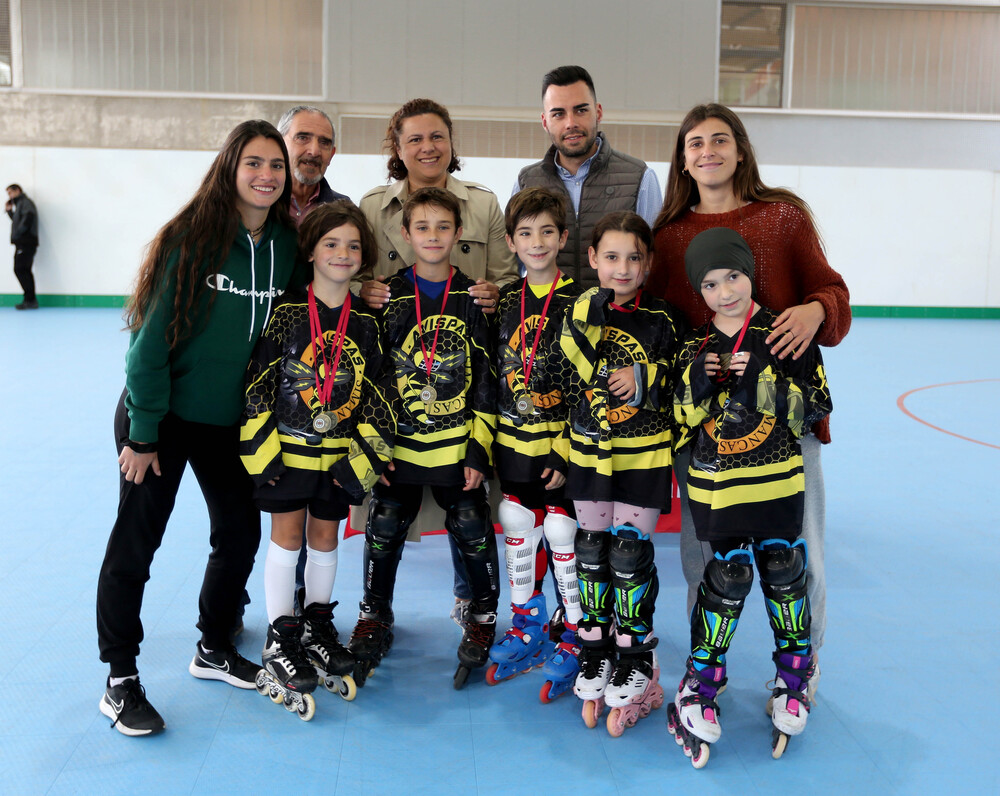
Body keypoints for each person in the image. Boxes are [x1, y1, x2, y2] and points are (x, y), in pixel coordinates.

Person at [96, 120, 307, 736]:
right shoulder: (192, 238)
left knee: (239, 535)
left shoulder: (286, 245)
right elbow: (146, 346)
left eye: (276, 165)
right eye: (254, 163)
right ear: (230, 168)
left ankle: (213, 646)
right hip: (159, 418)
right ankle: (119, 678)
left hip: (228, 423)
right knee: (137, 544)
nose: (267, 175)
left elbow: (305, 311)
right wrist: (142, 433)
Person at [647, 103, 851, 656]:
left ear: (740, 149)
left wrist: (816, 310)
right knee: (705, 558)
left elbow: (834, 293)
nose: (707, 151)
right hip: (709, 433)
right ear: (683, 161)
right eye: (695, 143)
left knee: (799, 554)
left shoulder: (783, 218)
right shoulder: (668, 237)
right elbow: (656, 330)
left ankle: (800, 671)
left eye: (719, 139)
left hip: (783, 422)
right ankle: (703, 671)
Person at [665, 227, 832, 767]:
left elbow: (816, 407)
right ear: (700, 291)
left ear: (750, 273)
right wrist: (697, 386)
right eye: (710, 284)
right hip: (717, 489)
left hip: (778, 483)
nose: (724, 292)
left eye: (733, 276)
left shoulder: (783, 332)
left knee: (785, 571)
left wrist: (764, 382)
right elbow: (677, 423)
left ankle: (793, 678)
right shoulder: (695, 343)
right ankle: (700, 685)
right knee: (729, 577)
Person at [354, 97, 517, 624]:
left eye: (437, 136)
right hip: (398, 387)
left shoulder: (484, 204)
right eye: (414, 139)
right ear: (397, 148)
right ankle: (373, 613)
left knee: (466, 509)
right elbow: (350, 271)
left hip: (462, 375)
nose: (427, 147)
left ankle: (472, 602)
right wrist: (365, 291)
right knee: (388, 512)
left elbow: (511, 281)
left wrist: (497, 294)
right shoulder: (374, 205)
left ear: (452, 142)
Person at [240, 201, 394, 717]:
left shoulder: (369, 324)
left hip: (340, 459)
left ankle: (318, 624)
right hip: (287, 456)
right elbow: (257, 387)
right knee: (286, 537)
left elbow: (381, 400)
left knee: (325, 538)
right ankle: (281, 637)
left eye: (353, 245)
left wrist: (362, 463)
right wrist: (262, 455)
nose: (342, 253)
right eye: (331, 243)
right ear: (310, 251)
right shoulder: (285, 313)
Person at [347, 187, 500, 689]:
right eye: (422, 228)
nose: (432, 237)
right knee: (385, 524)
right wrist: (374, 447)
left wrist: (478, 447)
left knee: (472, 525)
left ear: (458, 234)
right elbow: (369, 376)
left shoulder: (474, 297)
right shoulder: (386, 296)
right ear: (405, 234)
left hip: (457, 445)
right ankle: (374, 613)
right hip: (399, 444)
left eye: (443, 227)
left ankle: (480, 618)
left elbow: (485, 377)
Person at [558, 211, 683, 733]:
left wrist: (645, 375)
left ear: (649, 262)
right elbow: (566, 371)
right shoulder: (578, 313)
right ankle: (596, 649)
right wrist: (589, 315)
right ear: (592, 260)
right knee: (592, 552)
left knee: (629, 554)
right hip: (591, 456)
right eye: (611, 257)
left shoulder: (665, 318)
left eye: (634, 257)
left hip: (644, 458)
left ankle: (635, 662)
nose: (623, 268)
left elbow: (685, 381)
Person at [486, 187, 582, 700]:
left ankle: (575, 633)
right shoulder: (503, 300)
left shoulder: (583, 304)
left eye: (547, 231)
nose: (537, 242)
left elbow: (591, 386)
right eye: (525, 233)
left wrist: (567, 450)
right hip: (514, 445)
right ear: (511, 241)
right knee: (518, 523)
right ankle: (528, 624)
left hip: (562, 451)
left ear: (564, 238)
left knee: (564, 531)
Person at [514, 65, 663, 290]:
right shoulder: (526, 182)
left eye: (581, 110)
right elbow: (514, 265)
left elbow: (655, 266)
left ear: (598, 112)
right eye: (558, 114)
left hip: (619, 320)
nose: (571, 122)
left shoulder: (640, 177)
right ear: (545, 122)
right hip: (547, 320)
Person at [277, 105, 350, 227]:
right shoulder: (259, 202)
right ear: (280, 145)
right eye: (302, 138)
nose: (314, 151)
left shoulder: (345, 211)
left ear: (331, 155)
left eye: (324, 142)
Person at [5, 184, 39, 310]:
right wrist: (9, 212)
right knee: (24, 270)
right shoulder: (20, 204)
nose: (10, 196)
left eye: (10, 193)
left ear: (17, 190)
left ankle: (30, 299)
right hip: (24, 242)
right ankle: (29, 299)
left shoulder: (25, 203)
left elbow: (27, 220)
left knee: (20, 269)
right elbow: (19, 220)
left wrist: (19, 233)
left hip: (26, 242)